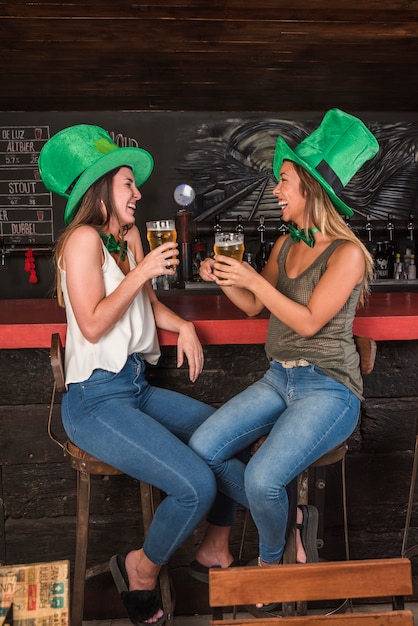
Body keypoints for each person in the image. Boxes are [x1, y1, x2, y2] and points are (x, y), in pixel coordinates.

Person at [188, 109, 379, 595]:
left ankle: (272, 571)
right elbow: (255, 307)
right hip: (280, 378)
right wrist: (229, 280)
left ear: (311, 189)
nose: (276, 190)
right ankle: (290, 514)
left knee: (261, 480)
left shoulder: (348, 253)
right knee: (203, 450)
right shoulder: (283, 245)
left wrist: (253, 278)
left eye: (284, 181)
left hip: (329, 389)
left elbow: (311, 320)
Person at [38, 124, 223, 626]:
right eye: (128, 183)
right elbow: (95, 324)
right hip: (94, 402)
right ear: (101, 189)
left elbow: (148, 304)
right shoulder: (81, 241)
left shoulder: (129, 237)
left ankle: (226, 545)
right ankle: (139, 570)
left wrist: (183, 324)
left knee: (225, 437)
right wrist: (141, 273)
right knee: (195, 486)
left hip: (135, 388)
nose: (138, 192)